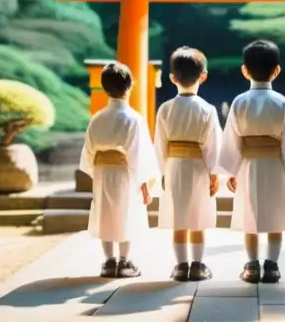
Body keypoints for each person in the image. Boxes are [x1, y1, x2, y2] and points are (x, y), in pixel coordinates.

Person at [218, 39, 285, 284]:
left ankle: (251, 265)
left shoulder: (240, 102)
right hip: (274, 164)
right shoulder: (282, 102)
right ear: (277, 70)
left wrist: (230, 172)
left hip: (247, 165)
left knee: (249, 216)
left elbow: (231, 139)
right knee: (275, 216)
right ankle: (272, 266)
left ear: (244, 70)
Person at [80, 61, 160, 279]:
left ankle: (108, 262)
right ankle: (125, 261)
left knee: (105, 213)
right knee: (127, 213)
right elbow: (139, 154)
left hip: (103, 172)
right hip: (126, 173)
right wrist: (145, 183)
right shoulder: (133, 118)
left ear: (104, 88)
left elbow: (88, 151)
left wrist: (95, 171)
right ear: (130, 85)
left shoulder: (97, 118)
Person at [154, 46, 222, 282]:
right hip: (198, 167)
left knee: (178, 218)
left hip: (174, 166)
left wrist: (162, 173)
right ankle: (198, 264)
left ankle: (181, 266)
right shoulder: (208, 109)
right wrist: (215, 174)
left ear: (172, 77)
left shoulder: (165, 109)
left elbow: (159, 145)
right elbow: (213, 146)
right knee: (198, 218)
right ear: (203, 76)